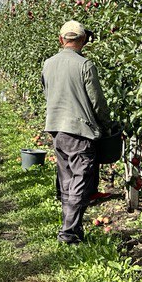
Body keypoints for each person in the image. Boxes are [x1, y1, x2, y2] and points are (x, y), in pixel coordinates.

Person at [42, 19, 112, 244]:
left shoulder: (48, 64)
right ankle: (68, 233)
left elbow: (47, 92)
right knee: (80, 180)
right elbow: (97, 102)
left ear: (61, 40)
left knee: (66, 179)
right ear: (83, 40)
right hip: (79, 130)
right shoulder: (85, 65)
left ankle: (73, 228)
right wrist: (106, 124)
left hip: (57, 129)